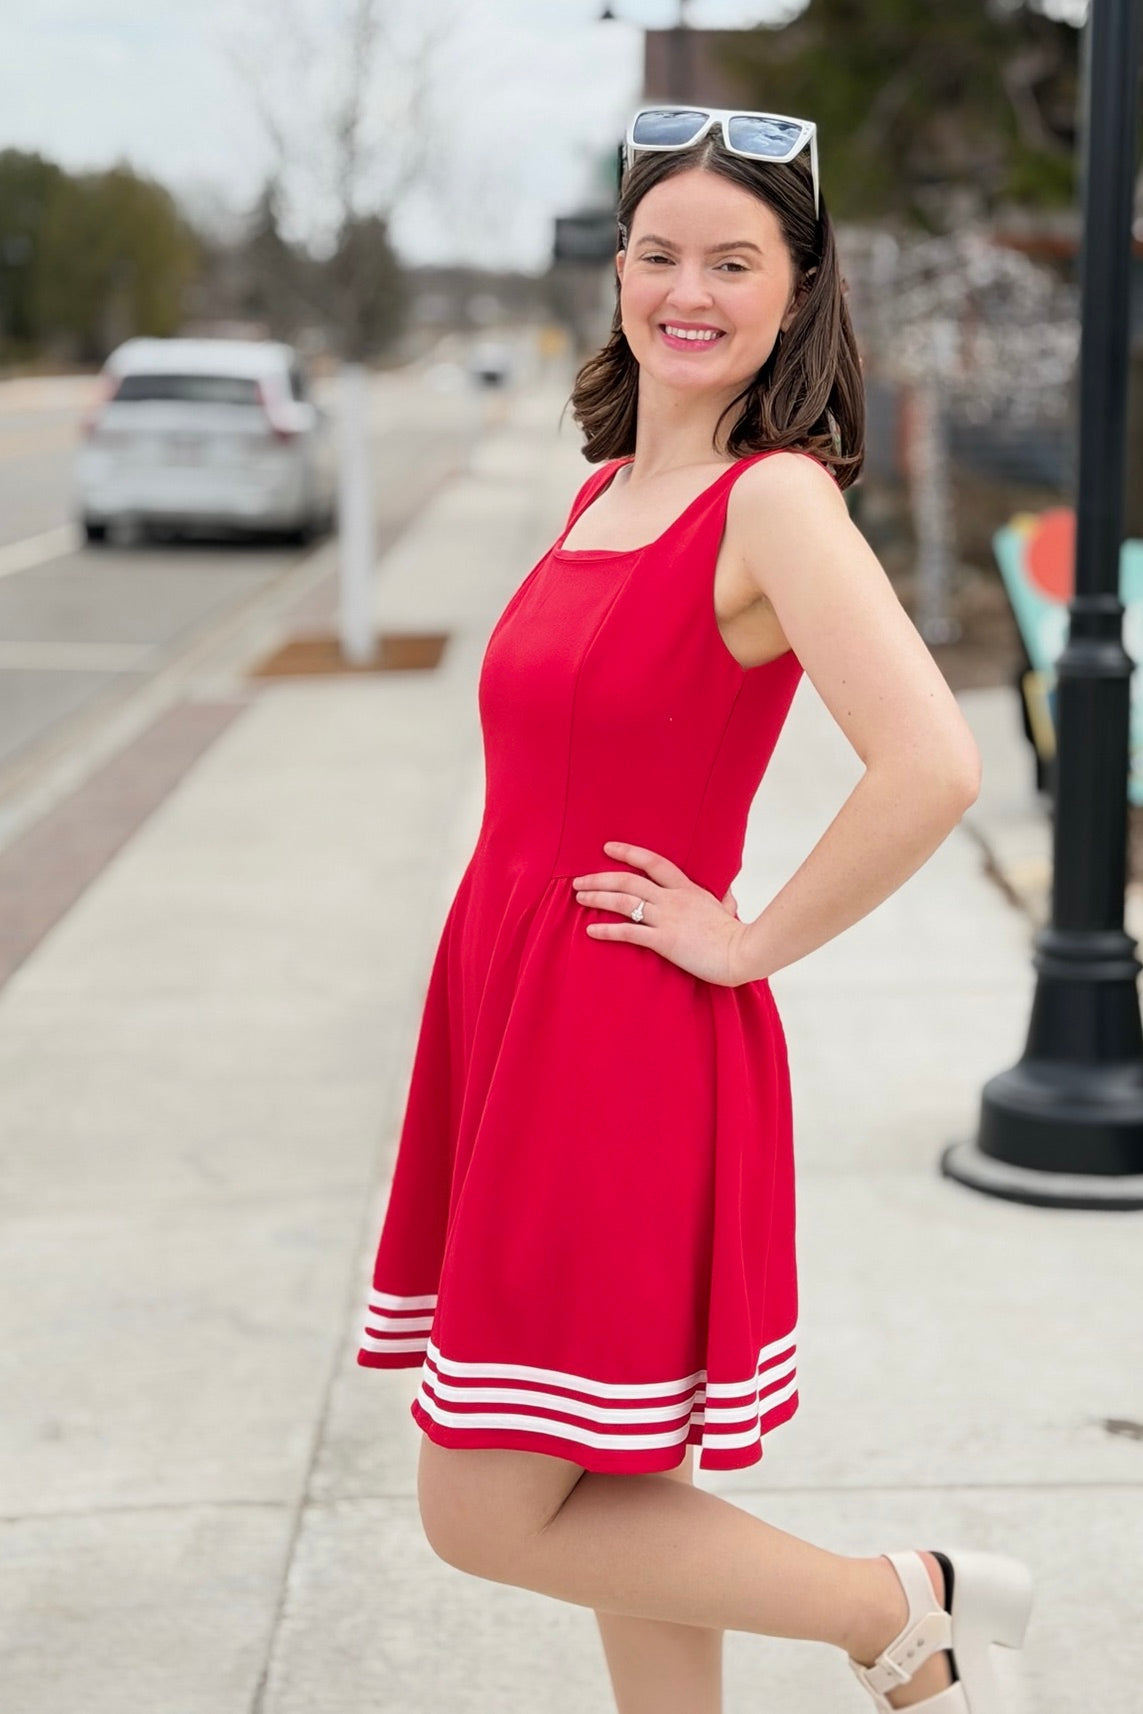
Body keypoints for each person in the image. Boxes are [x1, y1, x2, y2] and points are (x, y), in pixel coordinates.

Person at [356, 107, 1034, 1714]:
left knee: (484, 1506)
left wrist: (747, 937)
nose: (690, 289)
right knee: (603, 1478)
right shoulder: (605, 487)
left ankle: (906, 1604)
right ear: (616, 273)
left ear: (797, 292)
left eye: (737, 261)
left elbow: (929, 762)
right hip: (524, 1023)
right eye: (659, 252)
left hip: (625, 1037)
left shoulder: (771, 501)